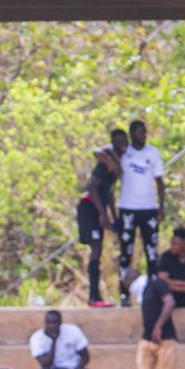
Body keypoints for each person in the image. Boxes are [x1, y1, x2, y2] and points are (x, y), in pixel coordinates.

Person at [116, 119, 167, 302]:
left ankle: (153, 292)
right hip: (128, 208)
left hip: (149, 208)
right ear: (131, 134)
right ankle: (124, 292)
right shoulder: (123, 152)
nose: (143, 135)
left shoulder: (153, 153)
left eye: (145, 132)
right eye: (139, 132)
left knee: (152, 251)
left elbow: (160, 181)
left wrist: (162, 205)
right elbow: (101, 153)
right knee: (126, 252)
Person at [79, 130, 125, 307]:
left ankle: (96, 295)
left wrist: (114, 218)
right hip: (89, 208)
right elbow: (92, 188)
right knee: (96, 249)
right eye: (118, 142)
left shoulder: (116, 169)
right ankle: (93, 296)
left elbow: (109, 195)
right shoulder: (105, 163)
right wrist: (103, 215)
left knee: (99, 250)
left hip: (99, 209)